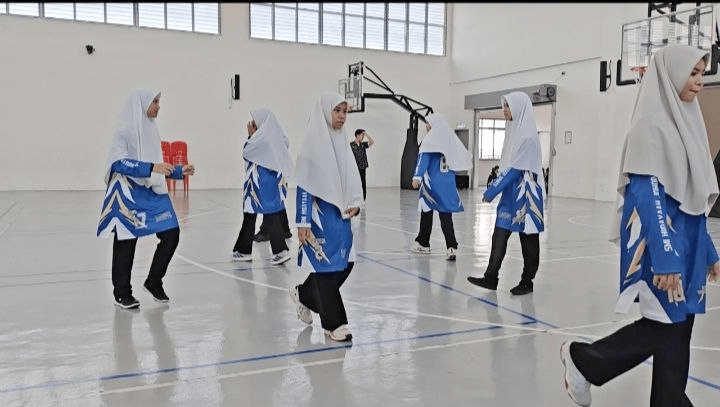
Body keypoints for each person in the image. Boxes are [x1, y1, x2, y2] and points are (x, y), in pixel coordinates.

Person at [559, 45, 720, 407]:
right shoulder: (649, 127)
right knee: (663, 329)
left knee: (679, 331)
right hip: (661, 248)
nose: (699, 82)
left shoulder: (689, 120)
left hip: (688, 248)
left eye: (701, 73)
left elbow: (693, 198)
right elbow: (647, 198)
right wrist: (665, 258)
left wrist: (708, 251)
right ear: (671, 74)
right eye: (692, 73)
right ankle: (583, 360)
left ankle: (663, 397)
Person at [97, 89, 195, 309]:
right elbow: (118, 163)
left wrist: (178, 171)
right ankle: (122, 293)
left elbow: (156, 164)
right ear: (142, 104)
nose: (158, 106)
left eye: (159, 101)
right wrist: (151, 168)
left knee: (171, 233)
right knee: (126, 240)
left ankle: (153, 281)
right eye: (155, 101)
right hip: (128, 191)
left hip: (150, 189)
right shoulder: (124, 131)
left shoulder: (151, 129)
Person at [289, 92, 363, 342]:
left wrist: (356, 205)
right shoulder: (312, 147)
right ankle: (334, 324)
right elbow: (304, 186)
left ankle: (303, 294)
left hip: (341, 218)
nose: (342, 116)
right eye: (337, 110)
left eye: (344, 111)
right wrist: (302, 221)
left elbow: (352, 181)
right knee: (326, 270)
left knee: (346, 263)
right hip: (319, 218)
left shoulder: (343, 145)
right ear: (324, 113)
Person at [467, 91, 545, 295]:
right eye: (504, 106)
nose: (505, 110)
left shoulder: (528, 138)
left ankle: (527, 281)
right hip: (510, 194)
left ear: (519, 108)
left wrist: (492, 190)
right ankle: (490, 277)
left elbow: (515, 170)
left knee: (528, 239)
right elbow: (506, 167)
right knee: (499, 234)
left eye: (508, 106)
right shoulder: (513, 133)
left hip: (526, 196)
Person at [231, 108, 294, 265]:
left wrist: (251, 136)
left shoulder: (261, 140)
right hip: (267, 184)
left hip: (260, 184)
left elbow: (246, 152)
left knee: (261, 216)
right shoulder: (276, 138)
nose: (252, 125)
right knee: (258, 215)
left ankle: (278, 251)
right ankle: (246, 250)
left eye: (255, 123)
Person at [410, 113, 473, 261]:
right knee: (446, 217)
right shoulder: (450, 140)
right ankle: (451, 247)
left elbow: (423, 159)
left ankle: (423, 243)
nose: (427, 126)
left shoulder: (429, 141)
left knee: (426, 213)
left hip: (431, 185)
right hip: (448, 184)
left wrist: (416, 177)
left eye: (428, 124)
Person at [350, 128, 374, 205]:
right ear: (357, 135)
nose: (363, 137)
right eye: (362, 135)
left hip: (362, 167)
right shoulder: (351, 145)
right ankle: (354, 198)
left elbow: (371, 142)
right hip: (354, 168)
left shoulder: (363, 145)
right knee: (355, 184)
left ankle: (363, 199)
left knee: (363, 183)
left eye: (363, 136)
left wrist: (366, 134)